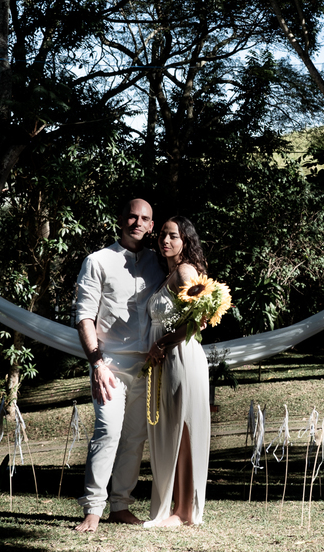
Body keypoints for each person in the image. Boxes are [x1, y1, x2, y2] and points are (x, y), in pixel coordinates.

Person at [72, 199, 166, 533]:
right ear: (121, 219)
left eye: (144, 218)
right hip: (109, 364)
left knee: (136, 437)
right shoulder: (98, 261)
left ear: (151, 226)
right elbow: (84, 316)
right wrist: (96, 363)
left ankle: (120, 506)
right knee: (108, 431)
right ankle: (93, 509)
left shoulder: (160, 263)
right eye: (132, 216)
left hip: (148, 368)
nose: (137, 222)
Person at [142, 216, 212, 527]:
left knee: (183, 428)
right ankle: (176, 508)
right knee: (171, 427)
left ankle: (184, 512)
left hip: (181, 357)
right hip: (166, 360)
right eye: (162, 236)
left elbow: (202, 316)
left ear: (185, 240)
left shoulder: (185, 271)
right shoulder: (167, 274)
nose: (165, 240)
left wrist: (165, 343)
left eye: (173, 236)